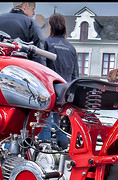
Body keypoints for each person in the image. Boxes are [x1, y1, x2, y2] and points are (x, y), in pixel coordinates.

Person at [38, 13, 79, 148]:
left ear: (51, 26)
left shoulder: (46, 43)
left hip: (49, 87)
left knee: (45, 118)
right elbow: (75, 75)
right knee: (59, 118)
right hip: (65, 90)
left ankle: (44, 145)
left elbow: (42, 67)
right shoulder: (71, 48)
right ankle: (62, 143)